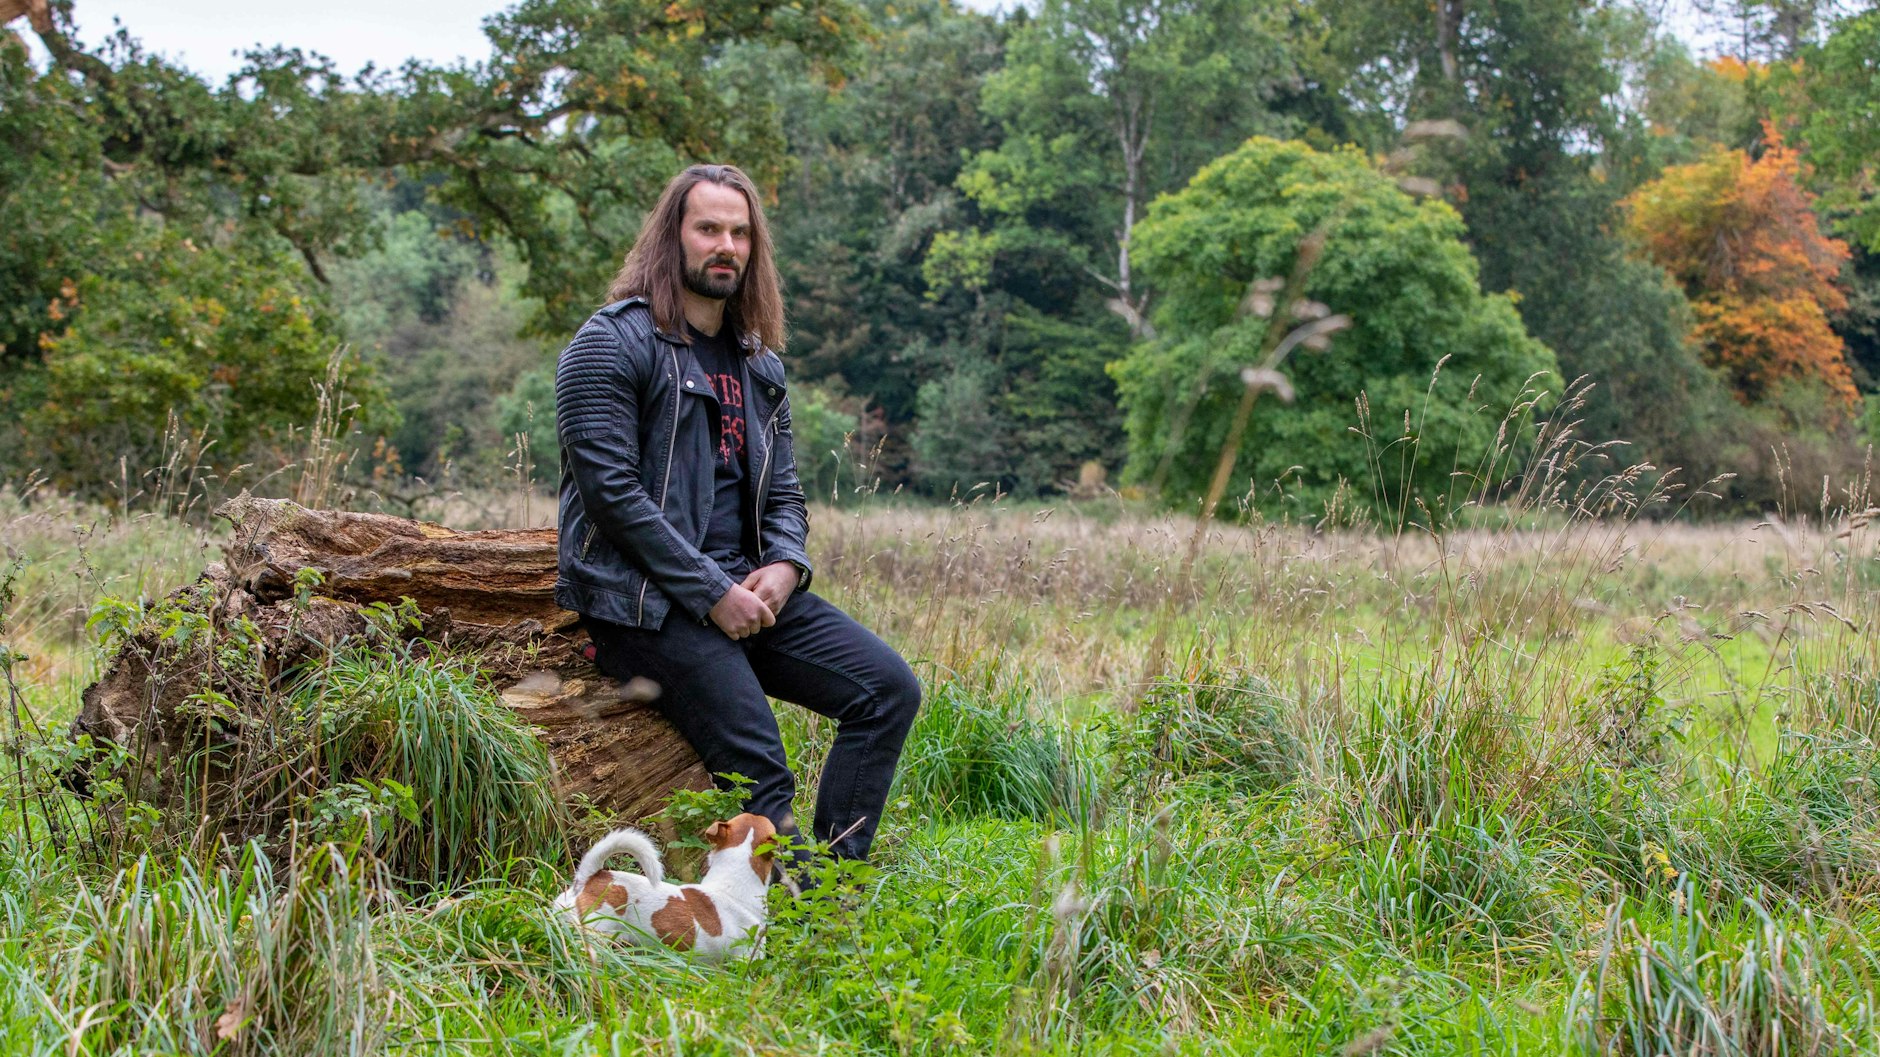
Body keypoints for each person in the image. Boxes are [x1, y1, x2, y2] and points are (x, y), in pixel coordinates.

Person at [553, 163, 921, 869]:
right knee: (763, 772)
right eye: (708, 229)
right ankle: (804, 930)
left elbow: (784, 495)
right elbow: (612, 495)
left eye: (739, 232)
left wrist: (786, 567)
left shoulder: (759, 366)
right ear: (673, 237)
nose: (726, 244)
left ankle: (834, 898)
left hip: (742, 593)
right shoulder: (611, 344)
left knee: (887, 689)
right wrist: (709, 592)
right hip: (644, 604)